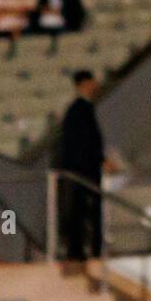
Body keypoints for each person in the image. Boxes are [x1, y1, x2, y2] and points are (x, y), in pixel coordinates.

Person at [56, 70, 107, 261]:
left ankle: (86, 249)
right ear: (85, 83)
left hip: (84, 169)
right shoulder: (78, 109)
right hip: (83, 171)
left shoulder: (83, 108)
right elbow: (84, 141)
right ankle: (83, 250)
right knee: (82, 211)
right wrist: (100, 159)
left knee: (84, 211)